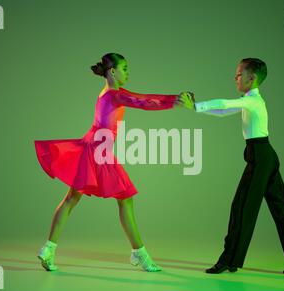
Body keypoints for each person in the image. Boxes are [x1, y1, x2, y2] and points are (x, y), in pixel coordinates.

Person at [34, 53, 183, 272]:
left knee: (72, 199)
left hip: (91, 146)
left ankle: (48, 248)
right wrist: (174, 101)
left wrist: (172, 100)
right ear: (112, 72)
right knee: (125, 199)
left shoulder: (106, 92)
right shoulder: (115, 94)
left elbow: (139, 99)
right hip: (99, 151)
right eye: (124, 68)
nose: (128, 72)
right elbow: (142, 101)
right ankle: (140, 254)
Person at [180, 58, 284, 275]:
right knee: (281, 209)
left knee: (241, 208)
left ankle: (229, 260)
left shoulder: (253, 101)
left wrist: (197, 105)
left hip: (260, 157)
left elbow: (225, 104)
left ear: (252, 78)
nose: (235, 78)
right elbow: (223, 112)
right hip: (265, 155)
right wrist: (196, 108)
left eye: (239, 74)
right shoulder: (251, 101)